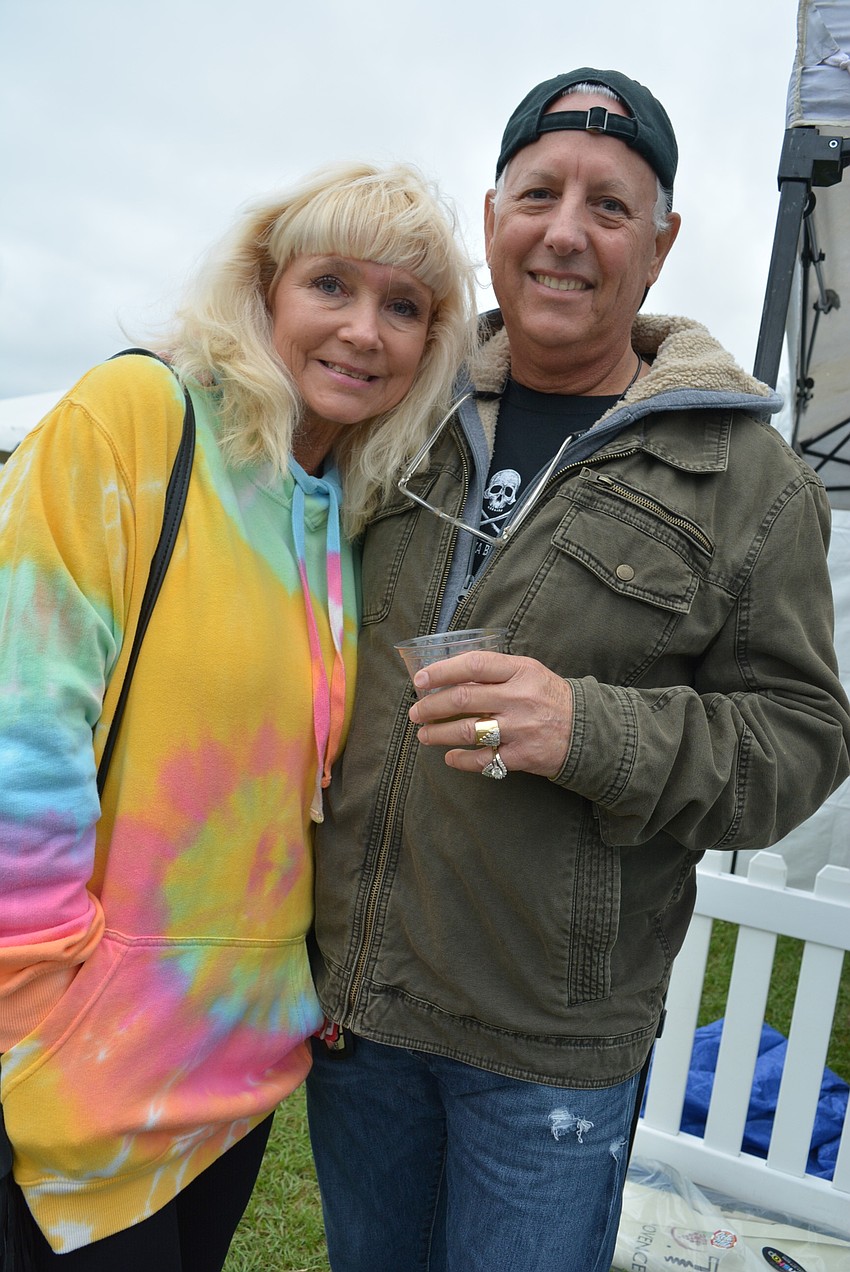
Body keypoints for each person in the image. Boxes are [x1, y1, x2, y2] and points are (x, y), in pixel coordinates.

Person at [305, 70, 850, 1272]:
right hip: (356, 1013)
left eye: (609, 207)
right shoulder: (392, 406)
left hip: (547, 1050)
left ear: (658, 247)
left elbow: (804, 740)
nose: (564, 230)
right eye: (538, 193)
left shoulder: (747, 479)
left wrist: (586, 728)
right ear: (492, 218)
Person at [0, 161, 475, 1269]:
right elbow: (24, 731)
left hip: (240, 1069)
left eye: (402, 307)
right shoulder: (137, 414)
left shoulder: (337, 513)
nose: (364, 331)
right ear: (264, 291)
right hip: (80, 1063)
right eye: (331, 286)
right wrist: (34, 1019)